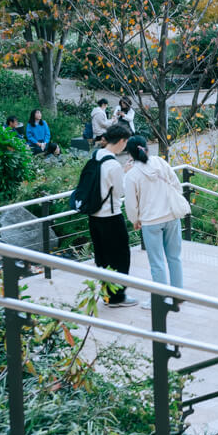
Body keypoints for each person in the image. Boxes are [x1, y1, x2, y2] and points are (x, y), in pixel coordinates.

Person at [123, 135, 186, 289]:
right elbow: (177, 185)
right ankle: (178, 294)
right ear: (146, 147)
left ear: (130, 154)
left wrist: (135, 220)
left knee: (157, 263)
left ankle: (161, 298)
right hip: (171, 216)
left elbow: (131, 204)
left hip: (150, 222)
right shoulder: (160, 162)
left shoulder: (131, 174)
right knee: (175, 258)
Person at [89, 124, 136, 308]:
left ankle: (107, 294)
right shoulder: (113, 164)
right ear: (122, 141)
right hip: (110, 216)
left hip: (94, 215)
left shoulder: (96, 156)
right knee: (120, 257)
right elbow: (119, 192)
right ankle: (117, 297)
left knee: (102, 256)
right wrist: (125, 173)